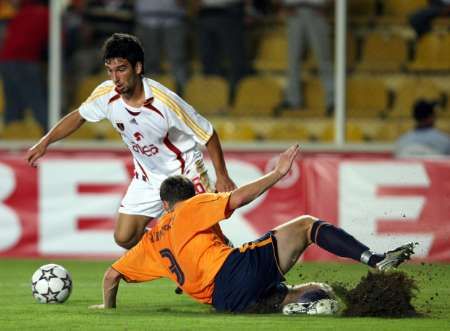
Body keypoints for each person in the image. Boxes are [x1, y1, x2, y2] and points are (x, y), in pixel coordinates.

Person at [88, 145, 416, 314]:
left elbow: (111, 277)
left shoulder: (151, 241)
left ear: (163, 206)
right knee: (306, 225)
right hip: (232, 273)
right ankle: (374, 259)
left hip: (224, 302)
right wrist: (277, 173)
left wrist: (108, 308)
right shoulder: (192, 207)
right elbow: (240, 197)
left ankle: (299, 306)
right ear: (189, 197)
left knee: (312, 290)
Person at [26, 33, 236, 250]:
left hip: (184, 174)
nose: (115, 78)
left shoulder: (165, 102)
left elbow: (208, 133)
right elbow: (79, 115)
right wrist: (45, 141)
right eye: (110, 71)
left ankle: (229, 257)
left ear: (137, 67)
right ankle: (173, 253)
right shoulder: (106, 94)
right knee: (124, 237)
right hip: (147, 177)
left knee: (202, 235)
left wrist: (222, 176)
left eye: (121, 69)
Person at [277, 0, 334, 116]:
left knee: (324, 60)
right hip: (294, 11)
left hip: (316, 11)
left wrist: (330, 5)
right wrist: (282, 6)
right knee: (293, 60)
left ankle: (332, 100)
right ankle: (293, 99)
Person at [0, 0, 49, 130]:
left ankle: (11, 136)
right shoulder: (45, 14)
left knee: (12, 103)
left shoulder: (19, 13)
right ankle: (50, 133)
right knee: (35, 100)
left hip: (6, 61)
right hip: (25, 60)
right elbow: (57, 41)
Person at [134, 0, 188, 94]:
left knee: (177, 59)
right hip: (146, 19)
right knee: (149, 61)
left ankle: (181, 95)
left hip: (174, 19)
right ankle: (149, 95)